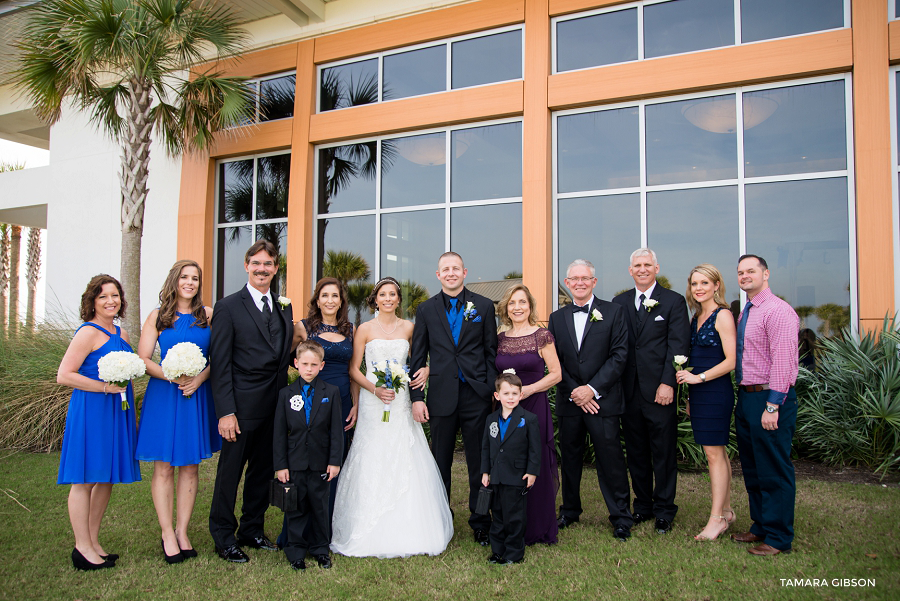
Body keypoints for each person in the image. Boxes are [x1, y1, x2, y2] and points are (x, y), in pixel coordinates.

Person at [331, 277, 453, 557]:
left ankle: (410, 525)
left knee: (404, 452)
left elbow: (422, 358)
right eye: (382, 295)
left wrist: (425, 370)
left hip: (400, 402)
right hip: (375, 403)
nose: (387, 299)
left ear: (399, 300)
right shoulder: (364, 329)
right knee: (373, 454)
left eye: (393, 295)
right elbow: (354, 369)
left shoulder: (410, 327)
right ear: (375, 299)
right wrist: (373, 390)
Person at [209, 239, 294, 563]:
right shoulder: (228, 307)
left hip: (273, 407)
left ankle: (252, 529)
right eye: (256, 263)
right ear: (247, 266)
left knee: (262, 472)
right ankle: (223, 535)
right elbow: (221, 363)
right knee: (229, 474)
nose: (262, 269)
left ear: (275, 269)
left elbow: (282, 353)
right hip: (241, 409)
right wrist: (226, 412)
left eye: (268, 264)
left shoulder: (283, 306)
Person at [135, 260, 220, 563]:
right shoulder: (158, 317)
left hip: (196, 395)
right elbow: (144, 358)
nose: (190, 282)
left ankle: (183, 530)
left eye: (195, 278)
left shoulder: (208, 316)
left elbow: (218, 357)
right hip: (165, 394)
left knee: (191, 465)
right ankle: (166, 532)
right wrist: (171, 375)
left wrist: (199, 379)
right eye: (184, 277)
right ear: (174, 280)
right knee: (163, 466)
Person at [410, 252, 498, 545]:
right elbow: (418, 357)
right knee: (440, 462)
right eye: (445, 269)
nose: (450, 273)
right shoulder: (425, 310)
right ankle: (439, 519)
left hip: (476, 396)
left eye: (455, 268)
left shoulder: (483, 306)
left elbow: (490, 352)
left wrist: (488, 389)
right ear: (438, 275)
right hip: (440, 396)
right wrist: (416, 398)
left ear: (464, 272)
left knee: (478, 462)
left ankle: (481, 521)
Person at [57, 275, 140, 570]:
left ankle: (93, 541)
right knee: (85, 478)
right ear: (92, 301)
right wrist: (104, 387)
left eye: (115, 295)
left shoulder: (123, 334)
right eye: (103, 296)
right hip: (92, 409)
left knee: (105, 478)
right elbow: (65, 374)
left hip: (117, 411)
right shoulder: (87, 333)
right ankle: (81, 547)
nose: (110, 301)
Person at [548, 259, 633, 541]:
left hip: (602, 400)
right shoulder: (557, 317)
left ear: (594, 282)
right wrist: (576, 391)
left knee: (611, 460)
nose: (580, 283)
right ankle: (570, 510)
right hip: (570, 400)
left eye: (586, 278)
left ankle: (621, 516)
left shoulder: (614, 312)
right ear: (568, 283)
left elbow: (619, 355)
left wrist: (592, 389)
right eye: (575, 278)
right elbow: (557, 360)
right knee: (569, 459)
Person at [276, 277, 358, 549]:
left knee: (333, 464)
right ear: (317, 299)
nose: (330, 300)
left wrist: (355, 403)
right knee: (305, 464)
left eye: (335, 295)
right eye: (325, 295)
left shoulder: (351, 330)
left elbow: (353, 371)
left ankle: (326, 529)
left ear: (341, 301)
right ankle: (298, 532)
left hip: (342, 401)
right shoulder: (303, 327)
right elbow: (284, 358)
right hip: (309, 404)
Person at [612, 249, 690, 534]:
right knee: (636, 453)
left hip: (660, 391)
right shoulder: (619, 303)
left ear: (656, 267)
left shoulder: (673, 302)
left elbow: (679, 345)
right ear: (630, 270)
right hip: (628, 392)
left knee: (663, 452)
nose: (642, 269)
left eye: (647, 264)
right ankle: (643, 506)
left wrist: (668, 382)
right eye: (637, 265)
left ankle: (665, 510)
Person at [730, 254, 799, 556]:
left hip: (770, 397)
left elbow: (784, 362)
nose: (745, 276)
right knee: (753, 467)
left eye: (751, 271)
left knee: (773, 468)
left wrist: (772, 405)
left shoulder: (778, 311)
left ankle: (778, 537)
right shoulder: (747, 310)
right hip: (747, 396)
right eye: (741, 272)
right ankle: (760, 525)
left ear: (766, 274)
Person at [495, 284, 561, 545]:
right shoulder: (500, 338)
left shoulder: (541, 336)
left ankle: (537, 525)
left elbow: (556, 374)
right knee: (509, 463)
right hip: (506, 410)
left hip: (533, 407)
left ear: (530, 306)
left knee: (534, 461)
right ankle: (510, 523)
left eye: (522, 302)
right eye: (512, 303)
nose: (517, 307)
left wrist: (528, 390)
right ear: (506, 308)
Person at [675, 264, 737, 540]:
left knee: (714, 455)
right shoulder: (697, 316)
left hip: (716, 392)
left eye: (704, 283)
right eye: (694, 284)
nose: (698, 288)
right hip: (699, 393)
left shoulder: (723, 316)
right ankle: (726, 510)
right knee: (717, 453)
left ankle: (717, 519)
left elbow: (731, 361)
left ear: (716, 285)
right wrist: (691, 392)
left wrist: (698, 379)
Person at [274, 340, 344, 571]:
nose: (309, 369)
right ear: (296, 364)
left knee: (319, 508)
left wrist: (334, 461)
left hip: (320, 463)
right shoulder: (286, 394)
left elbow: (336, 431)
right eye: (304, 364)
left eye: (314, 364)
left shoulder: (331, 393)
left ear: (322, 365)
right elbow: (279, 434)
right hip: (294, 463)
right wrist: (281, 465)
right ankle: (295, 551)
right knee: (296, 508)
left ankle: (320, 549)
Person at [481, 372, 541, 565]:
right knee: (497, 515)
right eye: (506, 393)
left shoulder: (528, 419)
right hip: (496, 476)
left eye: (515, 393)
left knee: (514, 517)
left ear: (521, 395)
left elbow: (535, 449)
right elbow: (485, 447)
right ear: (497, 396)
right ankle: (497, 551)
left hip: (517, 476)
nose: (510, 398)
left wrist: (532, 472)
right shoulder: (491, 419)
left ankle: (514, 553)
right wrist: (485, 471)